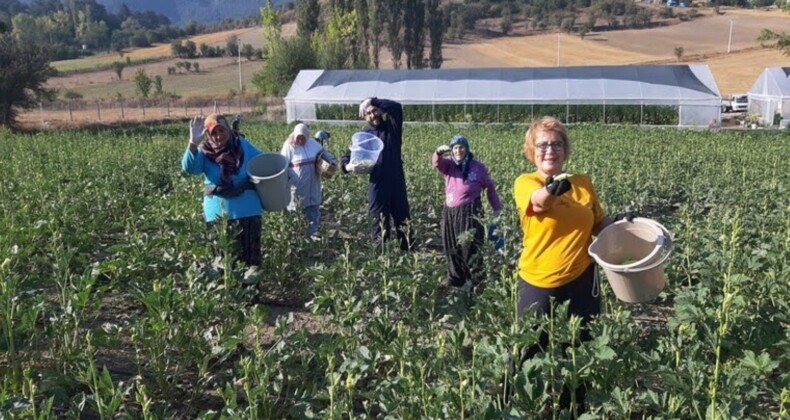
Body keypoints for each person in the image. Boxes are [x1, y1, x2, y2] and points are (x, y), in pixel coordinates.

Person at [513, 116, 632, 414]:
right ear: (531, 150)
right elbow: (539, 203)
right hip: (539, 282)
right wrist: (554, 188)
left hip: (582, 280)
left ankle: (574, 410)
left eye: (557, 143)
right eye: (542, 144)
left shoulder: (583, 183)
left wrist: (622, 223)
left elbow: (598, 223)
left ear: (566, 149)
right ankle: (518, 406)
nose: (549, 149)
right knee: (528, 350)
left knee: (581, 353)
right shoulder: (526, 183)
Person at [181, 113, 263, 267]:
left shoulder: (243, 146)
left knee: (251, 262)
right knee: (223, 263)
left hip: (248, 211)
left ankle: (252, 292)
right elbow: (189, 168)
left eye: (222, 130)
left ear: (228, 130)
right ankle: (228, 292)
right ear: (208, 135)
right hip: (218, 214)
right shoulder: (204, 152)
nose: (219, 136)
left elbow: (263, 161)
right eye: (214, 132)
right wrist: (192, 143)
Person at [341, 97, 414, 252]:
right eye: (368, 113)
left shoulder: (392, 127)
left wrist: (372, 100)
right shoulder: (365, 135)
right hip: (377, 183)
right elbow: (348, 156)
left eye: (375, 111)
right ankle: (382, 257)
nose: (372, 115)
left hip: (396, 182)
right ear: (365, 117)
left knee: (403, 220)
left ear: (381, 111)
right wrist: (347, 166)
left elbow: (396, 107)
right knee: (379, 221)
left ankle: (407, 254)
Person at [433, 134, 502, 288]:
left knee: (470, 246)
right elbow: (436, 163)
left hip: (471, 211)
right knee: (451, 245)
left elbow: (490, 189)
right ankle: (455, 278)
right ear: (451, 150)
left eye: (461, 147)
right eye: (455, 147)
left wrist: (497, 209)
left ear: (467, 148)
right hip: (450, 212)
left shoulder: (478, 167)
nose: (458, 150)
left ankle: (474, 279)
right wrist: (438, 152)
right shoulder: (448, 165)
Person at [281, 123, 336, 239]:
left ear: (307, 135)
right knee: (297, 212)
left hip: (314, 185)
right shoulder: (289, 147)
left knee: (314, 210)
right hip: (297, 187)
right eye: (298, 138)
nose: (300, 140)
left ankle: (312, 237)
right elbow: (282, 165)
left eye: (303, 138)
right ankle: (297, 238)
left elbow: (324, 153)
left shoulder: (312, 144)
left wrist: (331, 161)